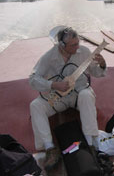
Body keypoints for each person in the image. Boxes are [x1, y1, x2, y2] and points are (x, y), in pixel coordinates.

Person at [29, 26, 106, 170]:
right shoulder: (48, 57)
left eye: (78, 43)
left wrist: (101, 65)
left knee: (86, 95)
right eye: (73, 45)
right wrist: (53, 85)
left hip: (78, 93)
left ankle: (91, 143)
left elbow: (96, 72)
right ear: (61, 45)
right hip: (59, 97)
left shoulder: (84, 51)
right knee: (35, 106)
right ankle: (50, 148)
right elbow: (33, 79)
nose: (77, 47)